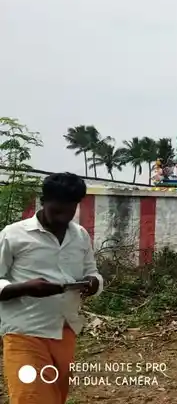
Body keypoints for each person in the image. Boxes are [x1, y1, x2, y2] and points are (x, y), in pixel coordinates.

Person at [0, 172, 103, 404]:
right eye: (57, 211)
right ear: (43, 201)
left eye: (70, 211)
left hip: (65, 330)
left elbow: (92, 271)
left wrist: (93, 283)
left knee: (54, 398)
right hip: (23, 332)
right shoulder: (14, 235)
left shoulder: (80, 236)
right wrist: (25, 288)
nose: (63, 218)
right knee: (31, 397)